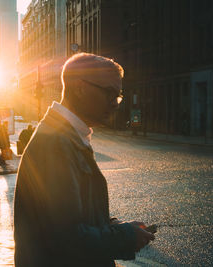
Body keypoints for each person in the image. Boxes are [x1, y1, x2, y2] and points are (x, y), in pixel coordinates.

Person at [14, 53, 155, 266]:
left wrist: (120, 227)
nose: (115, 104)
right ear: (80, 88)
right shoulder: (56, 143)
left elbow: (75, 216)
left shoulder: (66, 136)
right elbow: (65, 237)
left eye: (118, 96)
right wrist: (125, 237)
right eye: (109, 93)